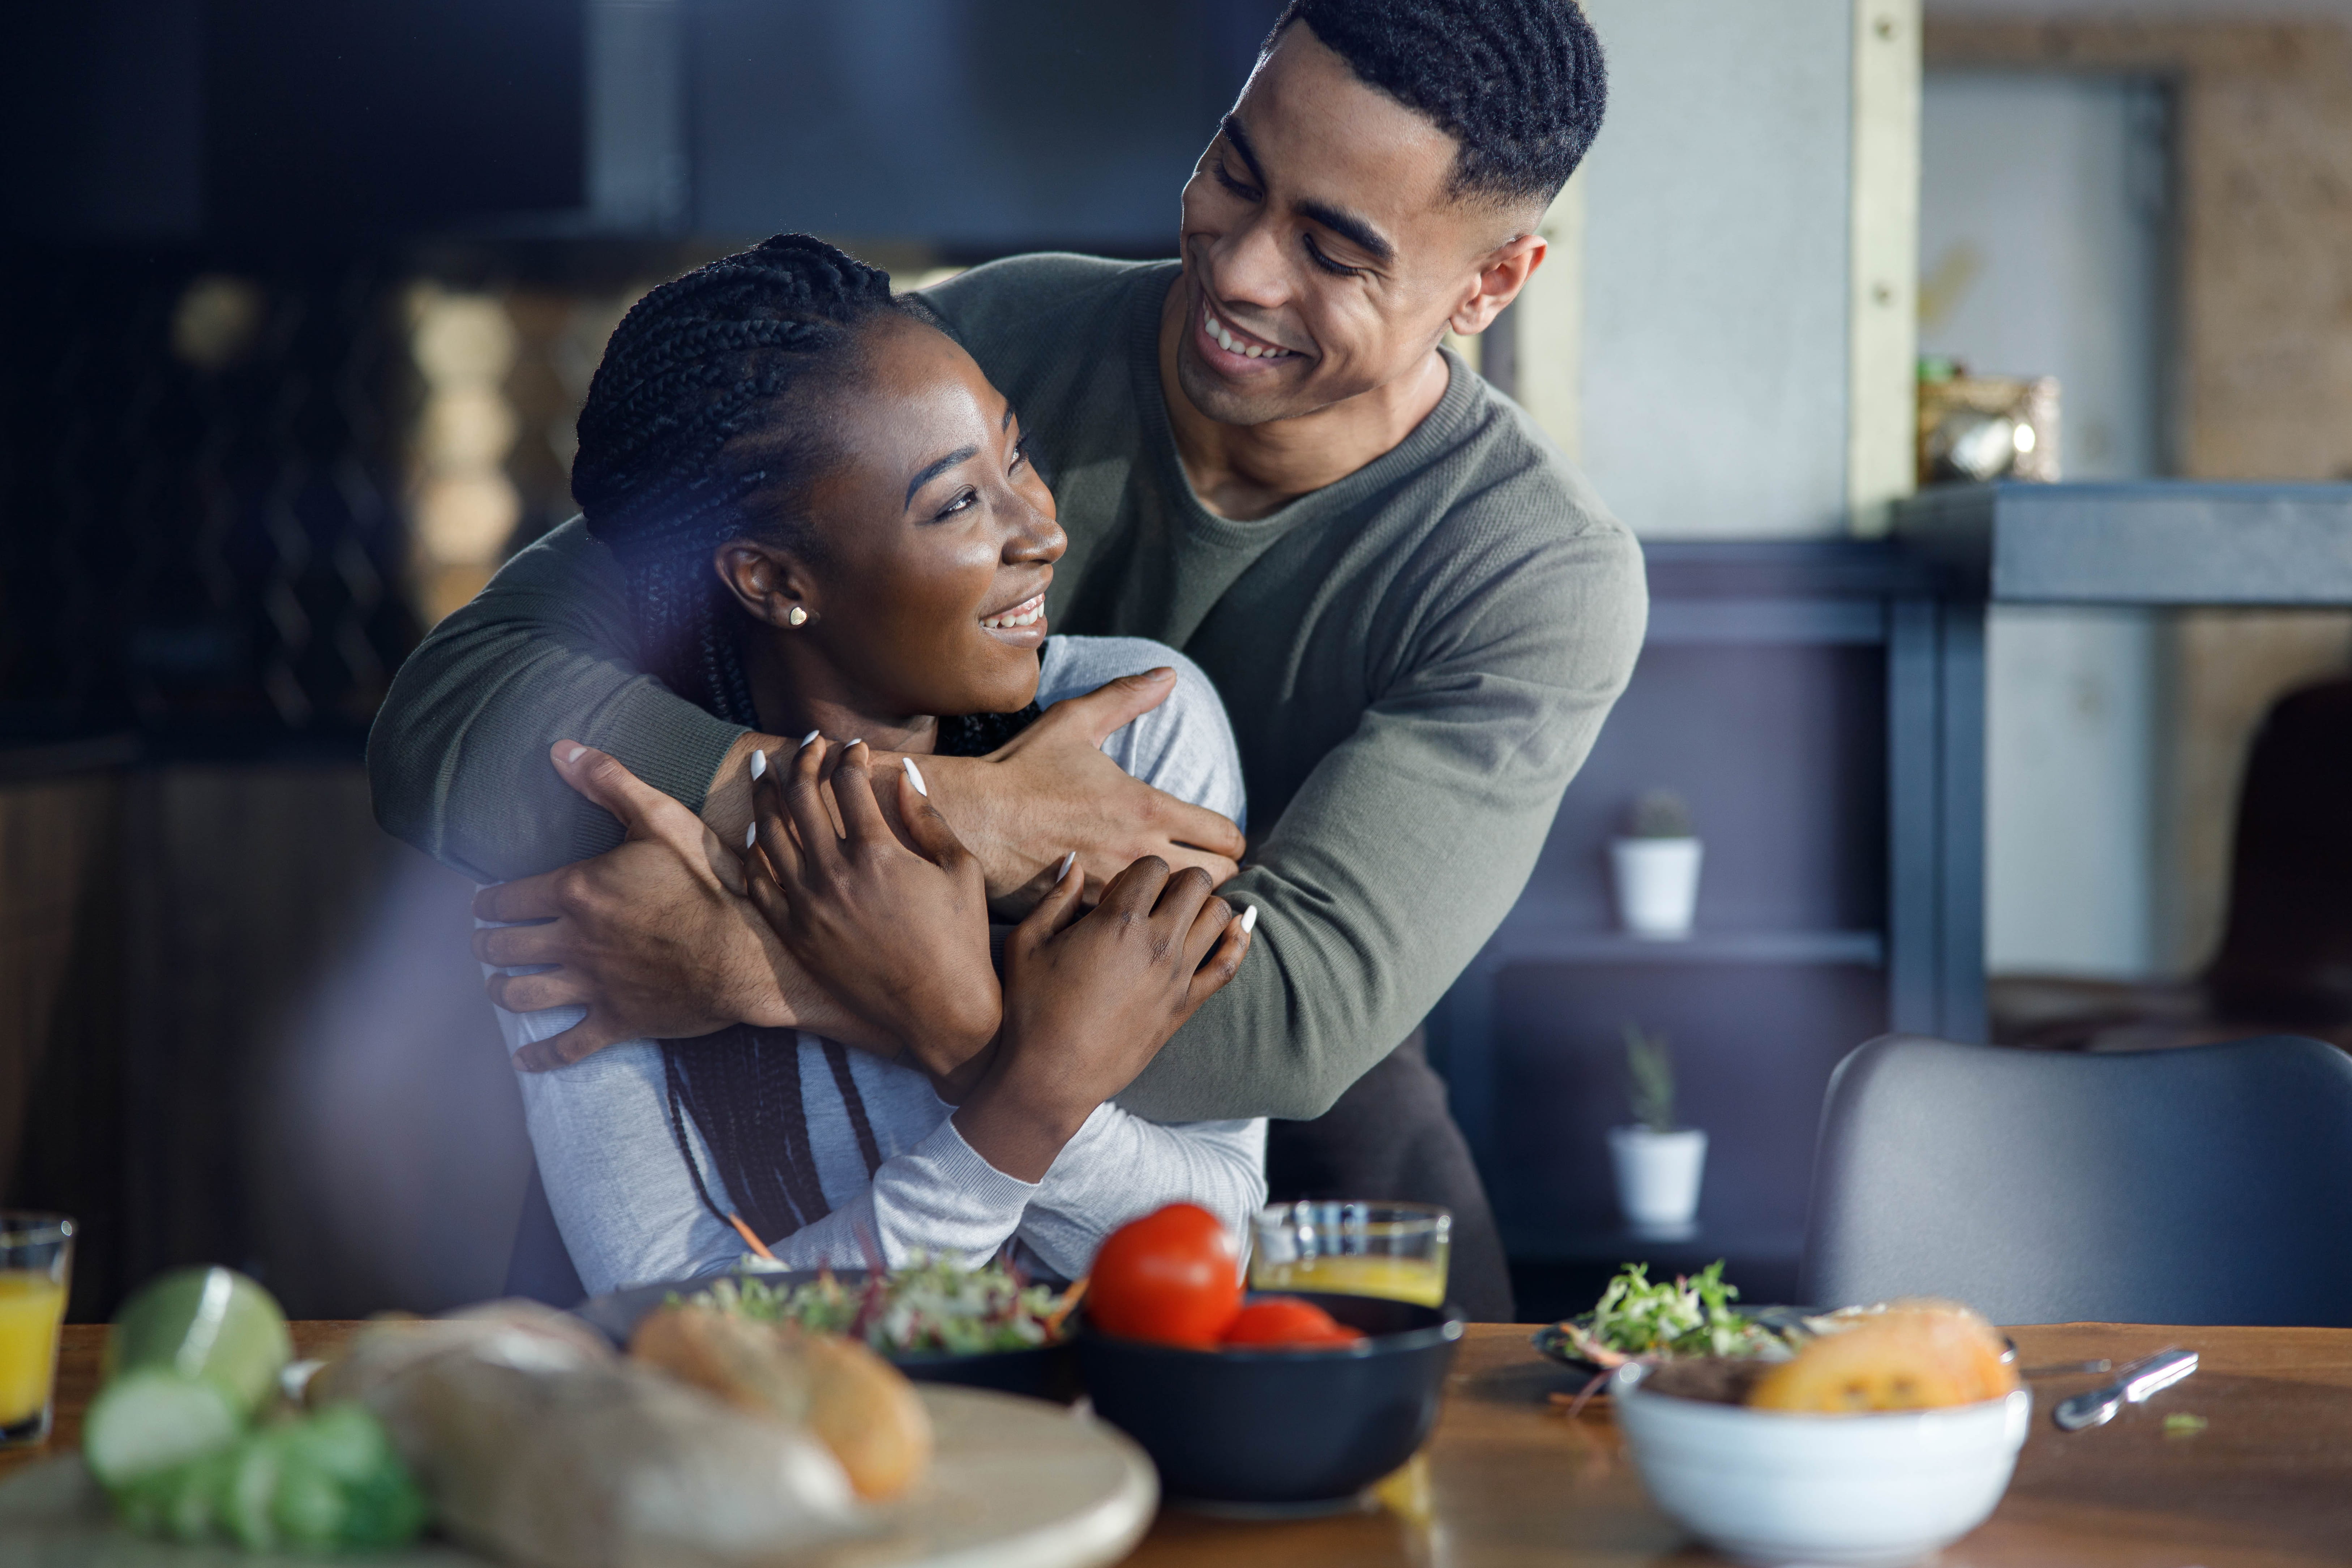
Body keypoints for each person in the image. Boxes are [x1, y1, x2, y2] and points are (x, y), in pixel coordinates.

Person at [370, 0, 1645, 1320]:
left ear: (1489, 286)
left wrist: (779, 961)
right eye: (1233, 170)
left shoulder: (1534, 572)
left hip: (1268, 1156)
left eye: (1333, 251)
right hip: (765, 1143)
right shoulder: (981, 354)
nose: (1241, 269)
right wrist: (932, 813)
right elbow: (448, 721)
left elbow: (1288, 1022)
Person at [483, 235, 1263, 1295]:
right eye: (955, 504)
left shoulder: (1132, 735)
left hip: (1106, 1441)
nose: (1043, 529)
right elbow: (677, 1317)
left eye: (1016, 453)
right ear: (771, 578)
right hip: (792, 1456)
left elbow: (1214, 1248)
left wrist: (937, 1021)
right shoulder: (602, 864)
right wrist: (1015, 1104)